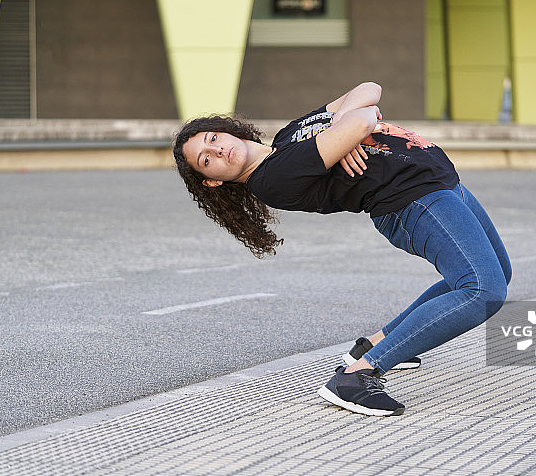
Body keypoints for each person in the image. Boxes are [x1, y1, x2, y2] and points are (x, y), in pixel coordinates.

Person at [174, 82, 511, 416]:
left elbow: (369, 89)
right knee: (482, 290)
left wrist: (340, 129)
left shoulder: (285, 140)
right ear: (212, 181)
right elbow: (364, 120)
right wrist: (347, 128)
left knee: (497, 272)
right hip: (412, 200)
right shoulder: (273, 176)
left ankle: (377, 344)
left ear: (226, 131)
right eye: (206, 160)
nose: (217, 151)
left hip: (440, 184)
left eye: (213, 139)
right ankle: (357, 377)